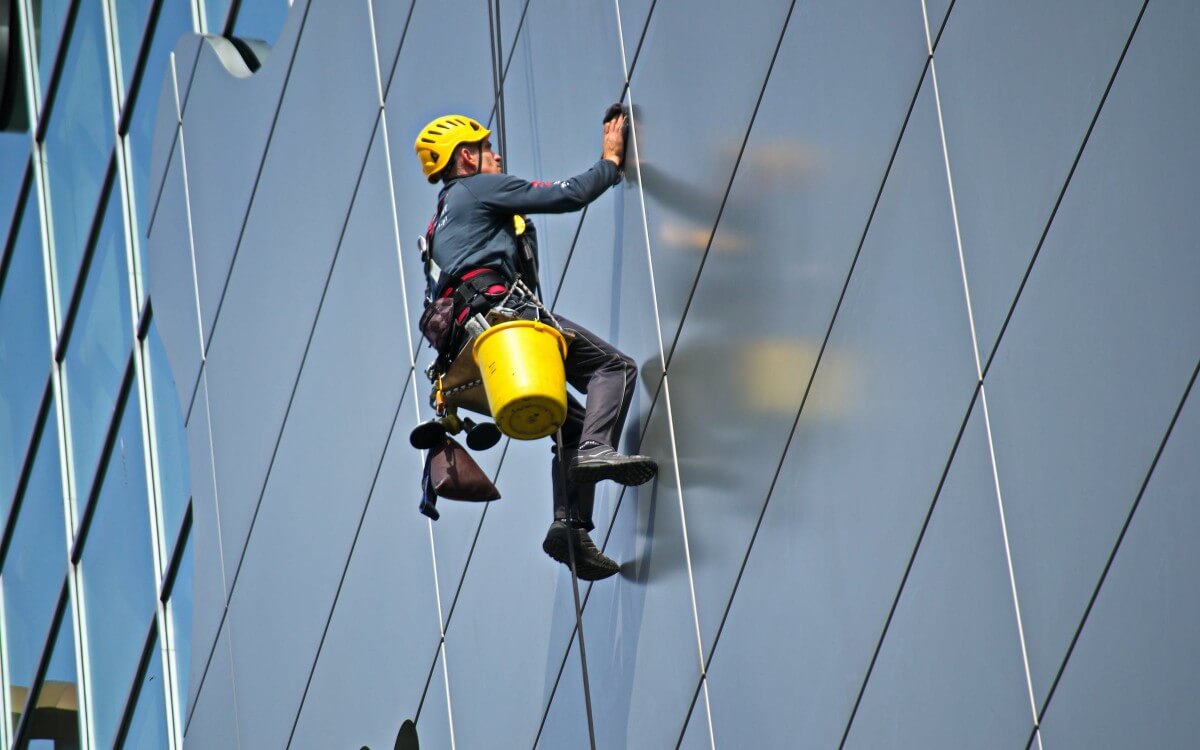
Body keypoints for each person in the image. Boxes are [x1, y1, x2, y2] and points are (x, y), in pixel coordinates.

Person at [413, 112, 657, 581]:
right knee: (615, 368)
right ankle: (596, 451)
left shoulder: (438, 223)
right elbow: (566, 194)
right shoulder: (476, 189)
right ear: (467, 157)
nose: (497, 155)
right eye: (487, 148)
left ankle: (570, 529)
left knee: (572, 421)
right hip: (504, 320)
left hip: (471, 351)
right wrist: (610, 162)